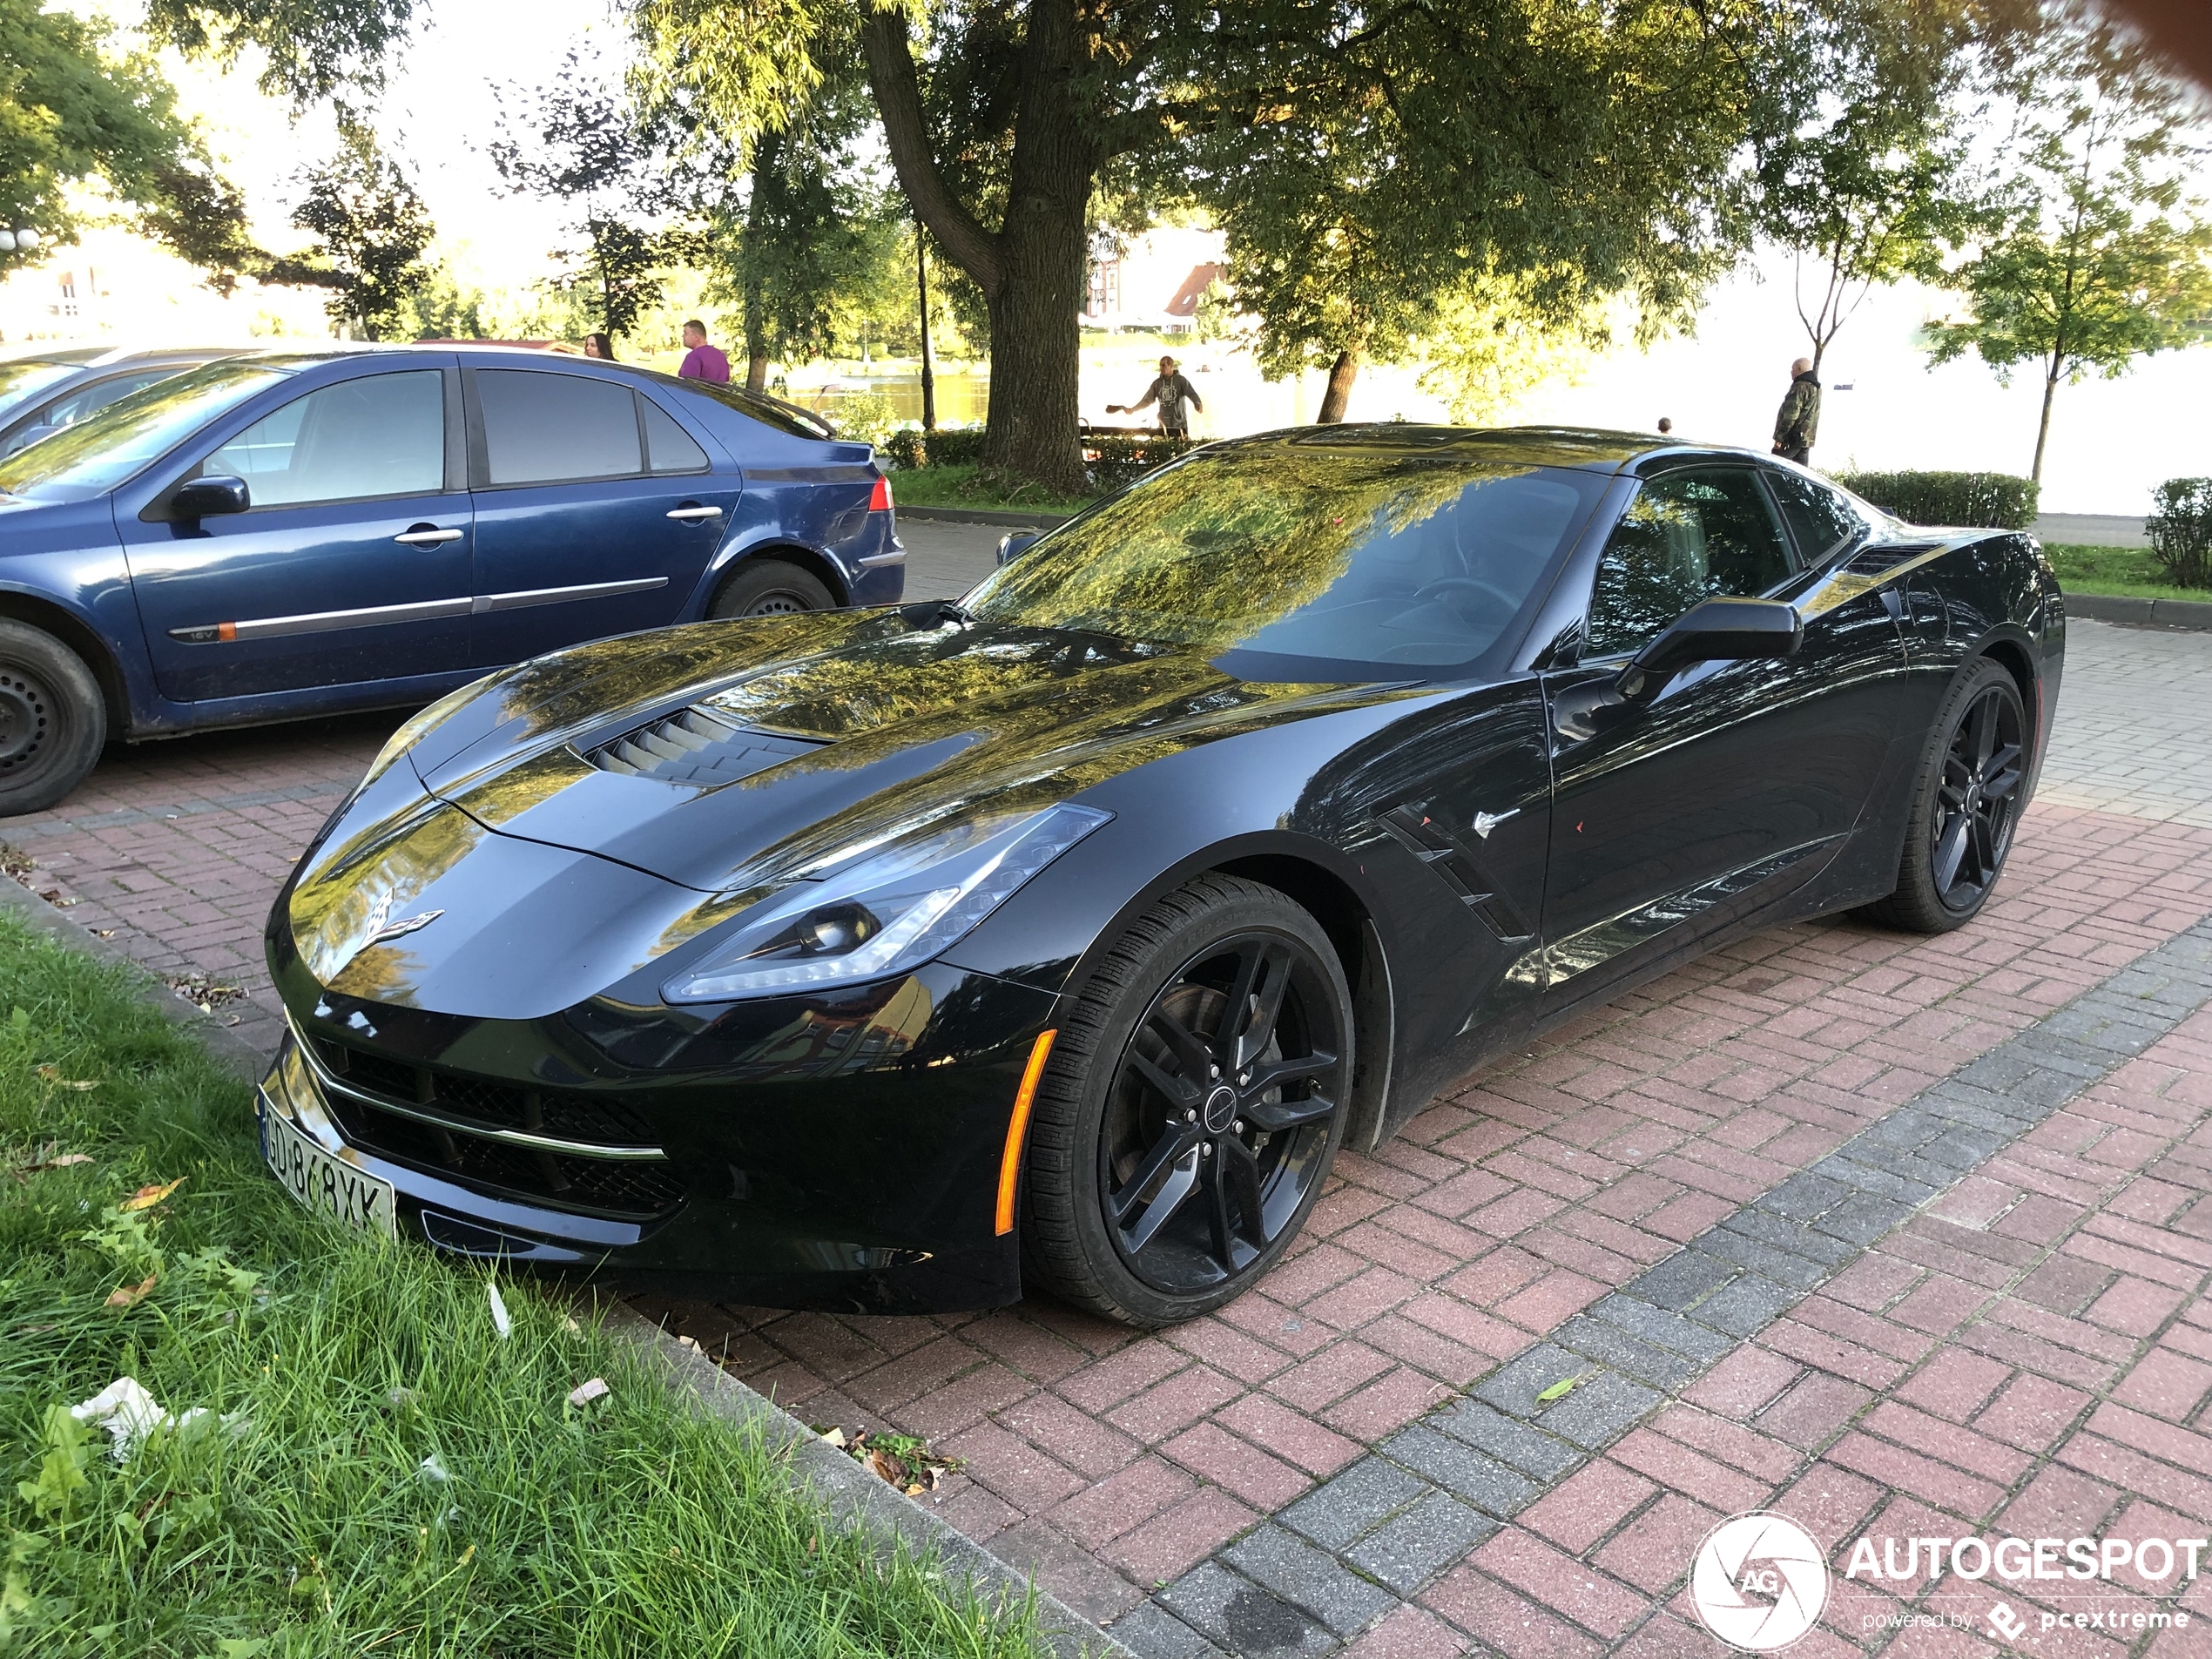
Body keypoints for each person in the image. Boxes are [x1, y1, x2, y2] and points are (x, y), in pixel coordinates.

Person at [1109, 355, 1202, 436]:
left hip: (1179, 424)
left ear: (1171, 366)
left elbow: (1191, 393)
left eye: (1164, 365)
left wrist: (1197, 404)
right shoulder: (1157, 383)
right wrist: (1133, 409)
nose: (1161, 368)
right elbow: (1147, 400)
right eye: (1160, 365)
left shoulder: (1181, 381)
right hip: (1163, 425)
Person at [1772, 358, 1821, 463]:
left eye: (1793, 369)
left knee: (1776, 464)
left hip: (1794, 438)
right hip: (1807, 439)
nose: (1791, 372)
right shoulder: (1816, 388)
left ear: (1799, 369)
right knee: (1800, 472)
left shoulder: (1800, 387)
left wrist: (1780, 437)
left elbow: (1791, 415)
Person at [678, 320, 732, 384]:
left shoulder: (694, 356)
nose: (683, 336)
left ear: (696, 337)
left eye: (685, 333)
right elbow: (726, 383)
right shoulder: (721, 356)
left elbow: (687, 385)